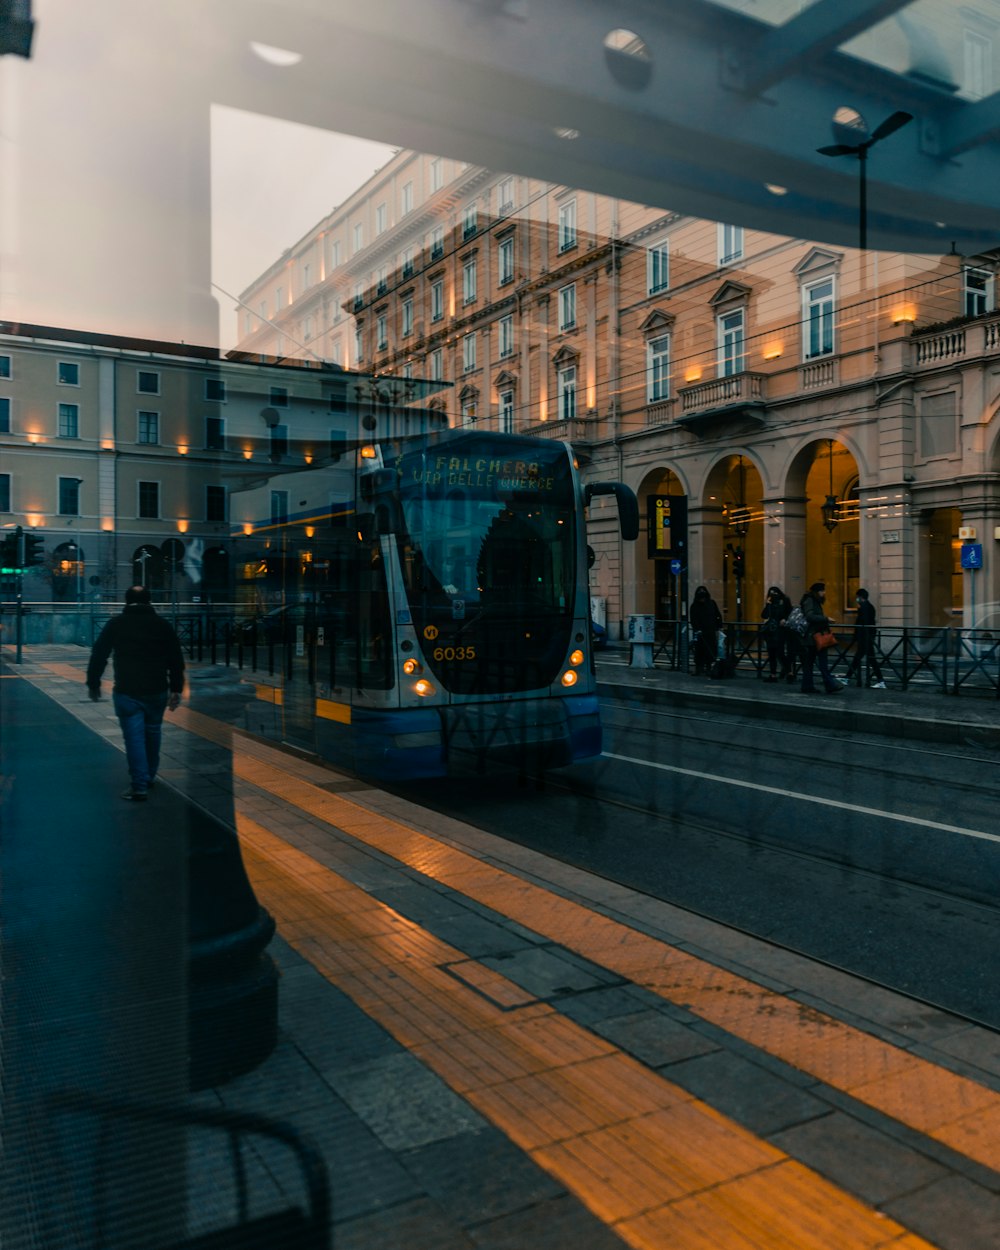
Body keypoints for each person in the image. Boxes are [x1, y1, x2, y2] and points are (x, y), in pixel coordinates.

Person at [86, 585, 185, 800]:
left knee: (134, 739)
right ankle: (149, 776)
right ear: (149, 601)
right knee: (153, 733)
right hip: (157, 690)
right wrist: (176, 688)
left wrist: (93, 682)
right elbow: (176, 659)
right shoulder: (162, 625)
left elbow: (99, 653)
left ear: (126, 601)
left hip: (127, 691)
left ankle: (139, 785)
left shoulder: (116, 624)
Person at [799, 580, 843, 695]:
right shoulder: (810, 600)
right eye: (822, 591)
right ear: (817, 592)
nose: (824, 593)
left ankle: (807, 686)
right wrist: (826, 619)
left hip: (812, 637)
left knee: (809, 663)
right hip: (815, 637)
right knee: (822, 662)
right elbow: (809, 616)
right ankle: (830, 684)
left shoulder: (813, 600)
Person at [844, 587, 886, 688]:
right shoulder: (868, 606)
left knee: (862, 658)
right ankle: (847, 678)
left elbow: (863, 623)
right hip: (867, 637)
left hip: (865, 638)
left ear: (861, 597)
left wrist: (858, 636)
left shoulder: (864, 607)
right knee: (863, 659)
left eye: (857, 597)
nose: (856, 599)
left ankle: (847, 678)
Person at [760, 585, 792, 682]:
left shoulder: (784, 601)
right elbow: (764, 615)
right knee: (771, 654)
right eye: (771, 593)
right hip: (771, 631)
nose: (773, 595)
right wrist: (767, 604)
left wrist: (785, 619)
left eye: (775, 593)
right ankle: (773, 675)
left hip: (780, 631)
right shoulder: (770, 604)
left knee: (780, 653)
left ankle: (789, 673)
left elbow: (790, 613)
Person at [689, 584, 722, 677]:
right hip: (701, 632)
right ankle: (699, 668)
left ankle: (707, 668)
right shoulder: (695, 605)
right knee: (700, 651)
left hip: (710, 631)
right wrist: (697, 629)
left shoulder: (711, 603)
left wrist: (719, 626)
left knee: (709, 650)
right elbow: (693, 619)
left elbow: (717, 615)